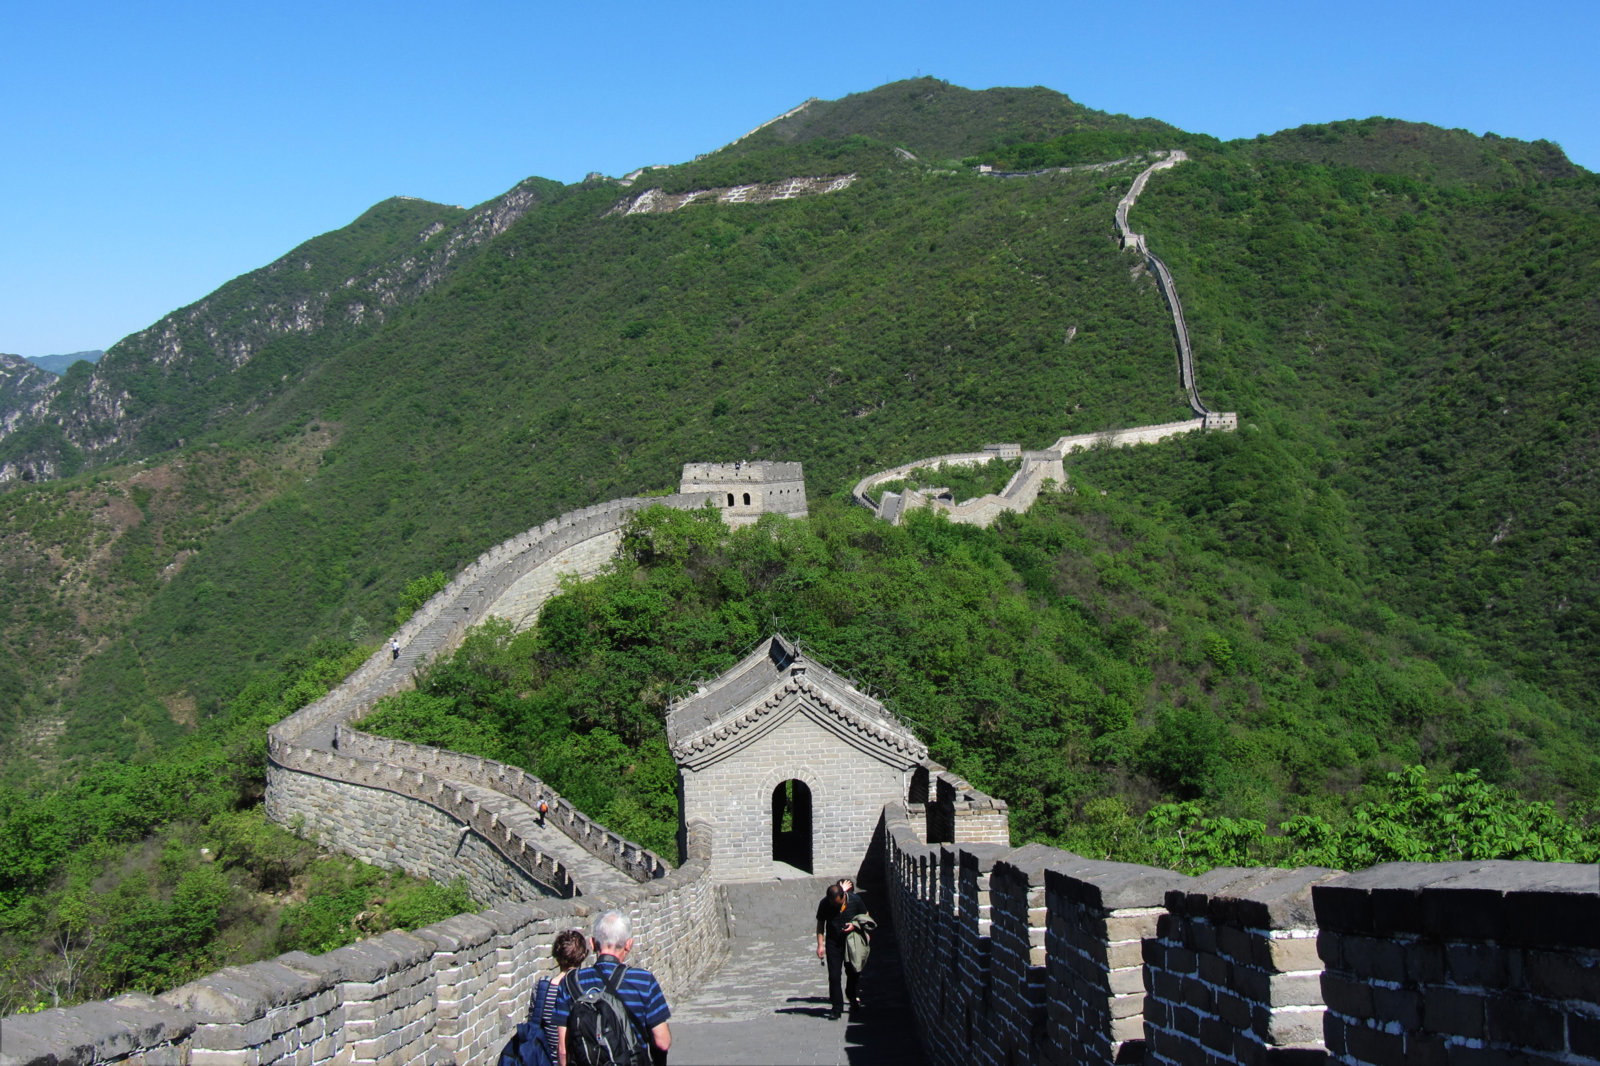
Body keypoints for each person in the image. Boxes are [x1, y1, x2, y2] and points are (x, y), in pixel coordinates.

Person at [551, 909, 671, 1066]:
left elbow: (563, 1049)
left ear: (593, 943)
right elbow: (662, 1042)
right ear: (629, 944)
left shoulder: (570, 982)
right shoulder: (644, 981)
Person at [815, 881, 867, 1019]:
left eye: (838, 903)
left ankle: (852, 997)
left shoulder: (855, 900)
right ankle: (836, 1008)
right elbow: (820, 925)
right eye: (833, 904)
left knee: (853, 972)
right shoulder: (825, 904)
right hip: (833, 942)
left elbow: (866, 917)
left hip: (851, 941)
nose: (836, 906)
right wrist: (820, 945)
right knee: (834, 976)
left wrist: (854, 926)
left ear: (844, 896)